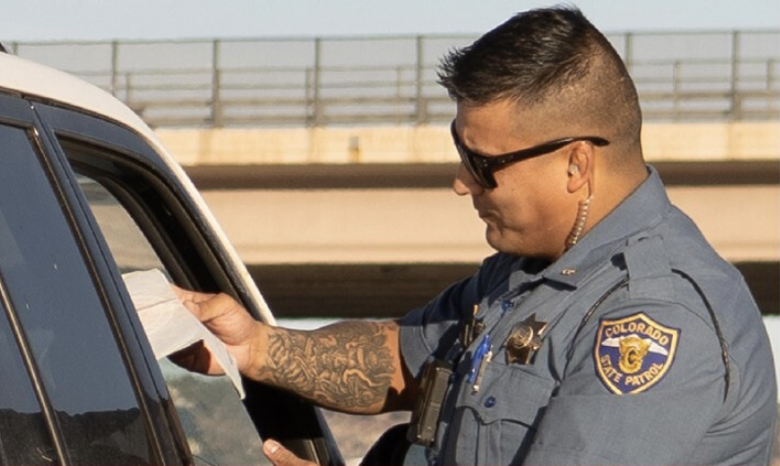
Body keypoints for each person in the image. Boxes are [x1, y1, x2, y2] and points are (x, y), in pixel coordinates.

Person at [173, 6, 777, 465]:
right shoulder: (526, 275)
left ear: (575, 165)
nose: (462, 181)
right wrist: (256, 348)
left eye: (483, 162)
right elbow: (400, 361)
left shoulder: (654, 319)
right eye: (461, 151)